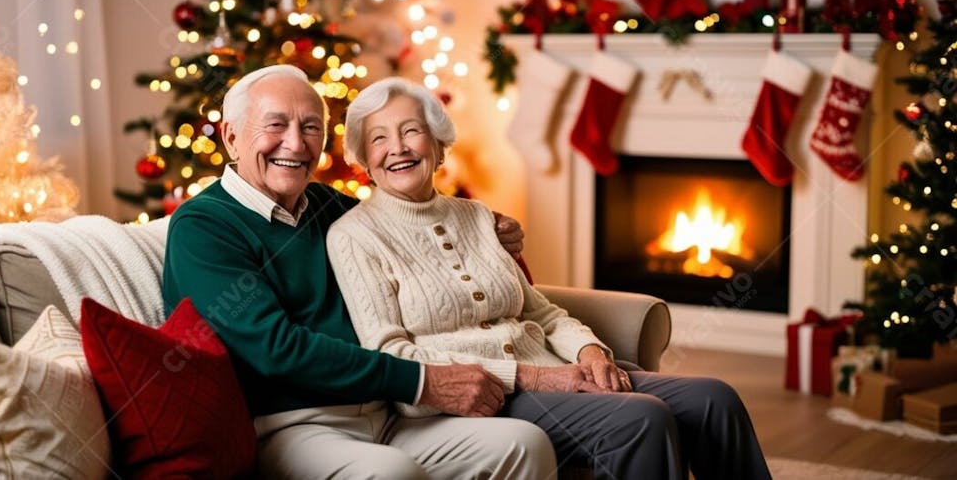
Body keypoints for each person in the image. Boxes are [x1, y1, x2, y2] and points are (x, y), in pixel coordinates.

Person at [326, 77, 774, 480]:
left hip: (559, 371)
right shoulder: (354, 236)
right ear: (365, 158)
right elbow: (390, 353)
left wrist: (590, 349)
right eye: (379, 139)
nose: (397, 148)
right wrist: (532, 378)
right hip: (482, 399)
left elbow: (540, 310)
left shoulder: (479, 216)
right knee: (641, 418)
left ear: (439, 144)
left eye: (411, 131)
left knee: (716, 399)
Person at [161, 65, 557, 479]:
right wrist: (420, 380)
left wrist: (484, 227)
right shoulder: (204, 227)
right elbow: (275, 349)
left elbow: (412, 227)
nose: (295, 144)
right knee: (391, 474)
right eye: (276, 125)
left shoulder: (329, 206)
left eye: (311, 127)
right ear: (231, 137)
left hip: (387, 414)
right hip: (294, 428)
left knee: (523, 445)